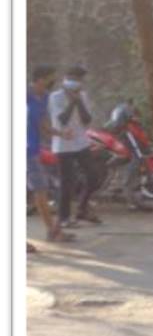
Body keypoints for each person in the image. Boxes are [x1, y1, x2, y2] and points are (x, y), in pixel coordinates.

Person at [26, 64, 73, 249]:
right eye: (50, 78)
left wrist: (61, 134)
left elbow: (43, 125)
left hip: (32, 150)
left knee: (40, 190)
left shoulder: (43, 98)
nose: (52, 82)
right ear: (39, 79)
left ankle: (52, 231)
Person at [48, 64, 98, 229]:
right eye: (75, 78)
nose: (78, 81)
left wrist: (78, 101)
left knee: (93, 176)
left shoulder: (83, 95)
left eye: (80, 78)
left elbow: (86, 120)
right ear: (67, 78)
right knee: (67, 182)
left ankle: (82, 208)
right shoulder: (55, 97)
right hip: (63, 145)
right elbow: (62, 119)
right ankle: (64, 218)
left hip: (81, 142)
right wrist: (72, 102)